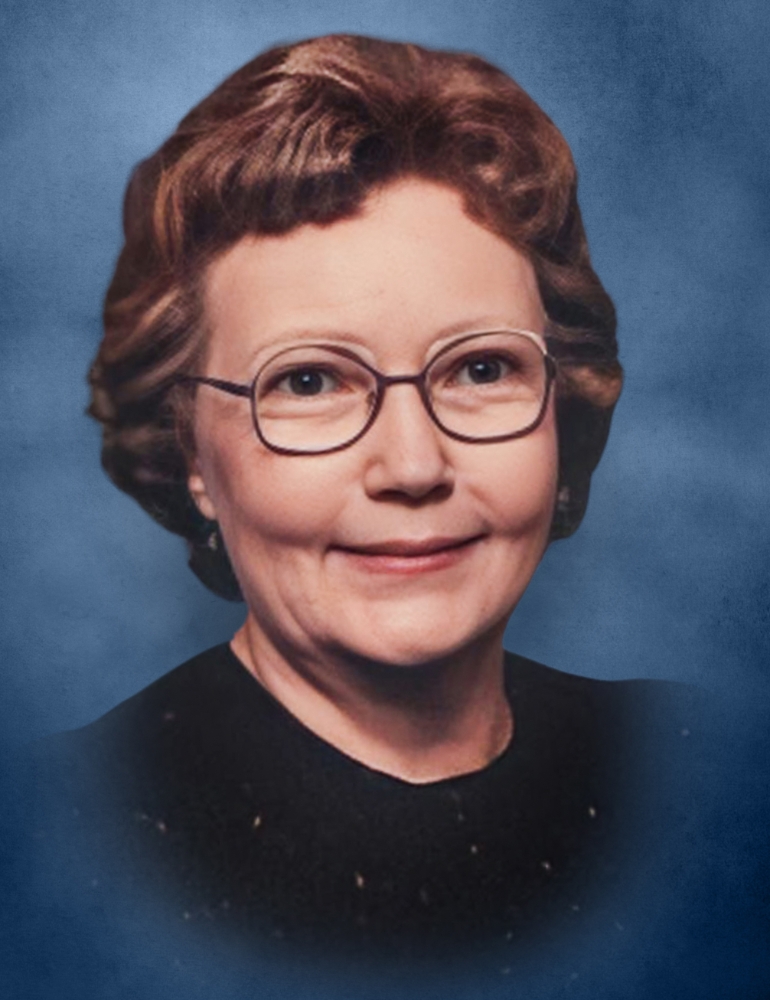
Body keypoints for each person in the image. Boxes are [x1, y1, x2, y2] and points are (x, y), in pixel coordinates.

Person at [42, 33, 703, 970]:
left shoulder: (705, 772)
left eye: (482, 368)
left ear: (564, 407)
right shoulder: (48, 836)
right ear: (191, 453)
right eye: (309, 381)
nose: (413, 464)